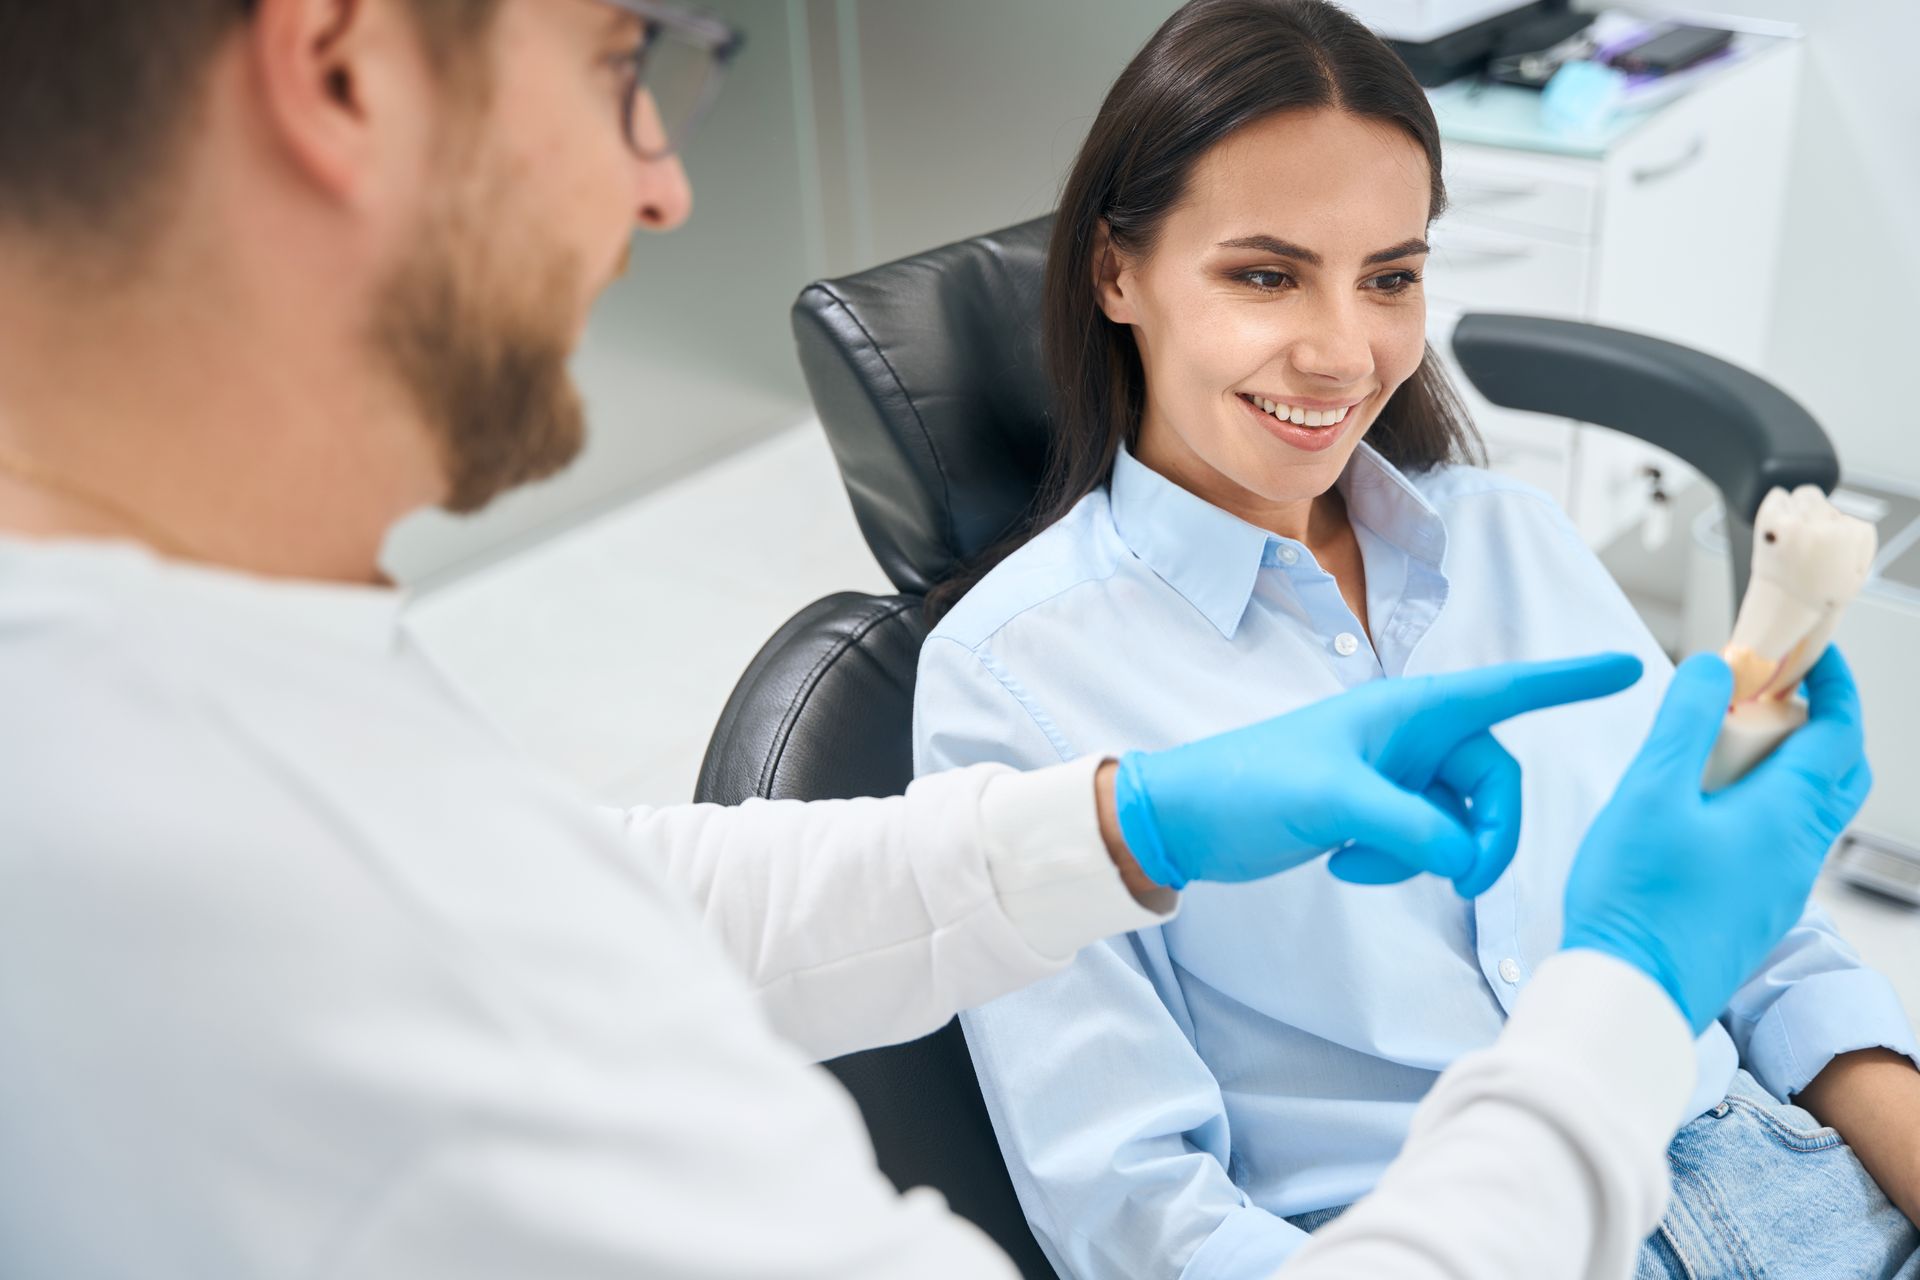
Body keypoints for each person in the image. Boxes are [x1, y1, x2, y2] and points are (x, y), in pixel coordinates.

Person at [0, 1, 1882, 1278]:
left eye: (1389, 275)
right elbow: (1141, 1210)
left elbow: (622, 893)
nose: (663, 177)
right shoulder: (211, 896)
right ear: (340, 71)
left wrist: (1131, 825)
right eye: (620, 59)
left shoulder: (269, 712)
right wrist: (1623, 994)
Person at [911, 2, 1920, 1278]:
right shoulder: (1016, 674)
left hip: (1778, 1170)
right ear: (1118, 273)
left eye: (1390, 275)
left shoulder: (1514, 540)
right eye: (1266, 273)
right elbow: (1141, 1214)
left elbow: (1760, 946)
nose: (1345, 352)